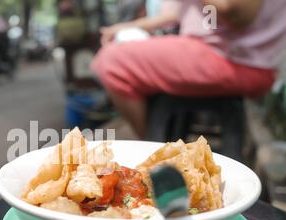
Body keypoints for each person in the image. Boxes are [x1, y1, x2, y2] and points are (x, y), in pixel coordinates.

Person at [91, 0, 286, 138]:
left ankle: (155, 154)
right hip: (228, 56)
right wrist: (127, 26)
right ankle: (160, 147)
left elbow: (237, 12)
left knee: (112, 62)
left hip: (237, 60)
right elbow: (175, 15)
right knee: (120, 56)